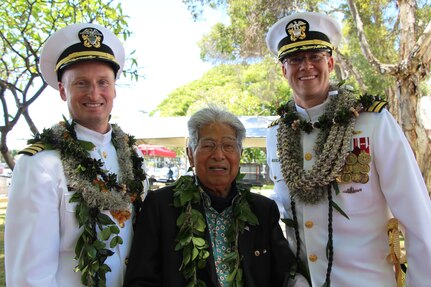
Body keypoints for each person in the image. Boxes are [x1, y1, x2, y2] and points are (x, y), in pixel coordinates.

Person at [265, 11, 431, 287]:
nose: (306, 66)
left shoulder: (372, 122)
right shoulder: (276, 133)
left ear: (330, 62)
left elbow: (417, 216)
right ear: (284, 70)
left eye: (315, 57)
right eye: (294, 59)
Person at [5, 23, 147, 287]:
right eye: (81, 83)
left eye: (103, 82)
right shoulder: (40, 164)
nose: (94, 94)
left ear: (114, 89)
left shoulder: (133, 155)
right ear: (62, 91)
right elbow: (29, 276)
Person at [123, 105, 309, 287]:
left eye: (228, 146)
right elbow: (140, 278)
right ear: (190, 154)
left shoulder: (262, 210)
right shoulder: (160, 206)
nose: (218, 155)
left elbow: (285, 273)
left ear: (240, 155)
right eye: (208, 145)